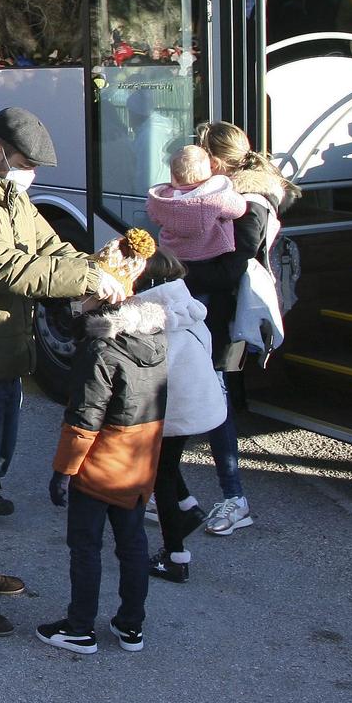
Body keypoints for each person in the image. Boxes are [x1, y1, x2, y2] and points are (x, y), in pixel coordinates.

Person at [0, 106, 120, 637]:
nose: (30, 176)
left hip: (3, 354)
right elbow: (6, 267)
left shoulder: (8, 193)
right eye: (26, 164)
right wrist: (87, 278)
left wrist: (96, 266)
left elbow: (49, 247)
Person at [40, 230, 164, 656]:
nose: (80, 297)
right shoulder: (154, 338)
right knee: (132, 545)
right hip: (139, 463)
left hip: (99, 466)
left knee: (86, 547)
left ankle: (79, 626)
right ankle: (132, 625)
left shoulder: (101, 348)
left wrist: (63, 470)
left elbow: (84, 417)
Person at [183, 120, 299, 538]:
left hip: (224, 317)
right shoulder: (238, 193)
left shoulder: (248, 201)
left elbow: (234, 267)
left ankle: (233, 497)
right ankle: (175, 492)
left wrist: (177, 273)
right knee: (200, 396)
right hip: (214, 312)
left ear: (214, 160)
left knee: (215, 403)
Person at [137, 250, 228, 584]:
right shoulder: (188, 310)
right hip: (198, 405)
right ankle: (189, 508)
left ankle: (176, 556)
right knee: (169, 463)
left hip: (171, 410)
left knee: (159, 473)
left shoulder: (148, 322)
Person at [145, 144, 246, 263]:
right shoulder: (215, 196)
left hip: (174, 256)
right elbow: (238, 209)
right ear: (209, 174)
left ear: (173, 178)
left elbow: (153, 216)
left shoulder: (162, 198)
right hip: (213, 252)